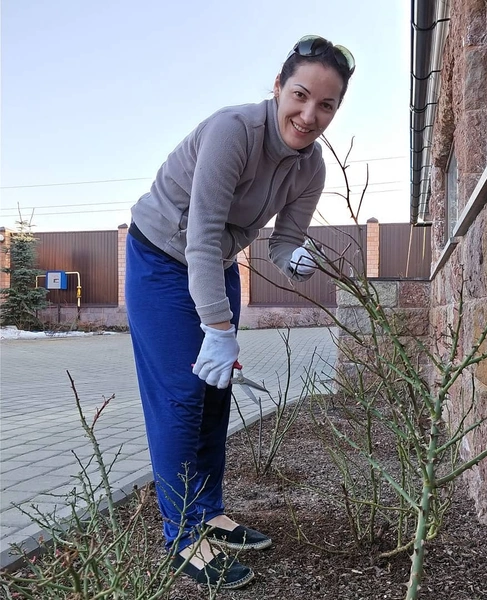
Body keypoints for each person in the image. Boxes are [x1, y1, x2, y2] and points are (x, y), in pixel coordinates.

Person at [125, 34, 355, 590]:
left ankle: (208, 511)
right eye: (300, 95)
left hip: (215, 260)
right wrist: (217, 328)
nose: (309, 115)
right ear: (277, 87)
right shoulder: (234, 131)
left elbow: (281, 241)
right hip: (161, 256)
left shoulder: (311, 168)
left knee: (216, 391)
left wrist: (297, 258)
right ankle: (182, 536)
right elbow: (201, 235)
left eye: (326, 105)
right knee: (183, 392)